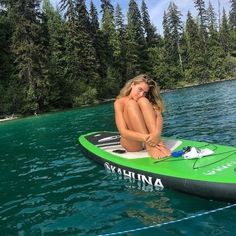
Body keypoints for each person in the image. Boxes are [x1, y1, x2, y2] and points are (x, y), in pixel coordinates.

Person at [114, 74, 171, 159]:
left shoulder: (145, 99)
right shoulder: (119, 103)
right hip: (134, 143)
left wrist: (156, 135)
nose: (141, 94)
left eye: (144, 92)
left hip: (152, 139)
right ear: (133, 85)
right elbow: (123, 131)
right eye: (140, 89)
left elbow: (159, 117)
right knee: (131, 103)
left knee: (143, 101)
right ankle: (150, 146)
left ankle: (157, 144)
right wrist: (148, 139)